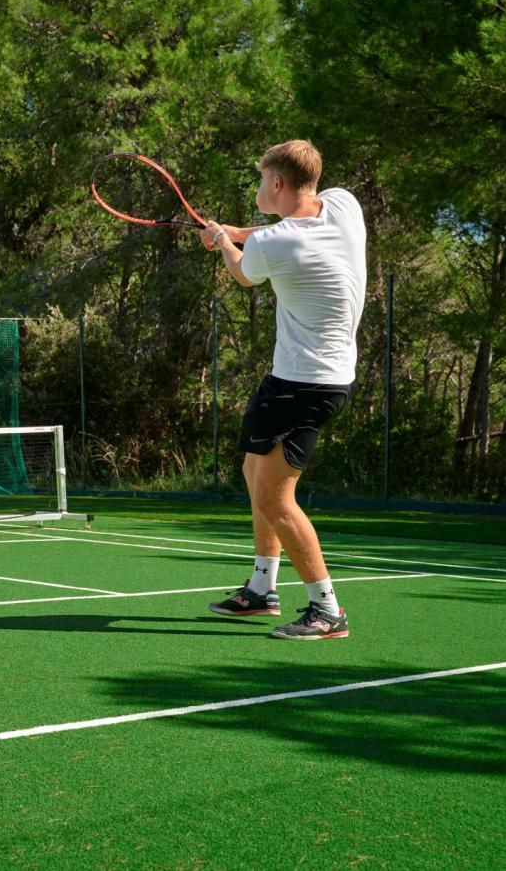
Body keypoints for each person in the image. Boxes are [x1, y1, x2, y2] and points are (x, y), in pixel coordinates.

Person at [200, 140, 366, 639]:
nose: (258, 187)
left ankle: (326, 609)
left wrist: (223, 242)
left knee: (275, 498)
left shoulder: (276, 244)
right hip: (315, 377)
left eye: (261, 178)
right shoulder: (343, 205)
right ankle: (261, 588)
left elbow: (242, 272)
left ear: (277, 182)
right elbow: (279, 232)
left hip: (304, 383)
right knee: (254, 471)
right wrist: (234, 233)